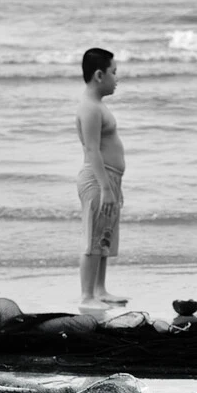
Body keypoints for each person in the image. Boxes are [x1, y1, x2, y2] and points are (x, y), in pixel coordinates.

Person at [75, 47, 128, 309]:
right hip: (97, 180)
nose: (117, 78)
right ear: (99, 75)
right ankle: (87, 296)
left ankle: (100, 289)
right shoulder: (89, 108)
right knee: (93, 238)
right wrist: (106, 188)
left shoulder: (98, 106)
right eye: (114, 72)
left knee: (104, 237)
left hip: (109, 180)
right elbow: (92, 150)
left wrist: (114, 187)